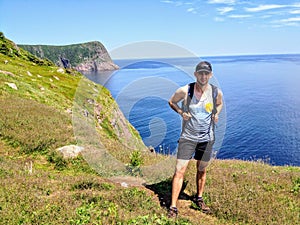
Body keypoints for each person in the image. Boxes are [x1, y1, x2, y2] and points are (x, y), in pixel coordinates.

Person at [167, 61, 223, 218]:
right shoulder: (185, 91)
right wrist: (180, 112)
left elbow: (219, 104)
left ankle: (199, 198)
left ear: (210, 75)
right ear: (195, 74)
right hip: (187, 138)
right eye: (201, 73)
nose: (203, 76)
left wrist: (216, 113)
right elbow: (171, 102)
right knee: (179, 171)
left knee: (202, 169)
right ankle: (173, 206)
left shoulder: (215, 92)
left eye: (206, 73)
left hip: (207, 138)